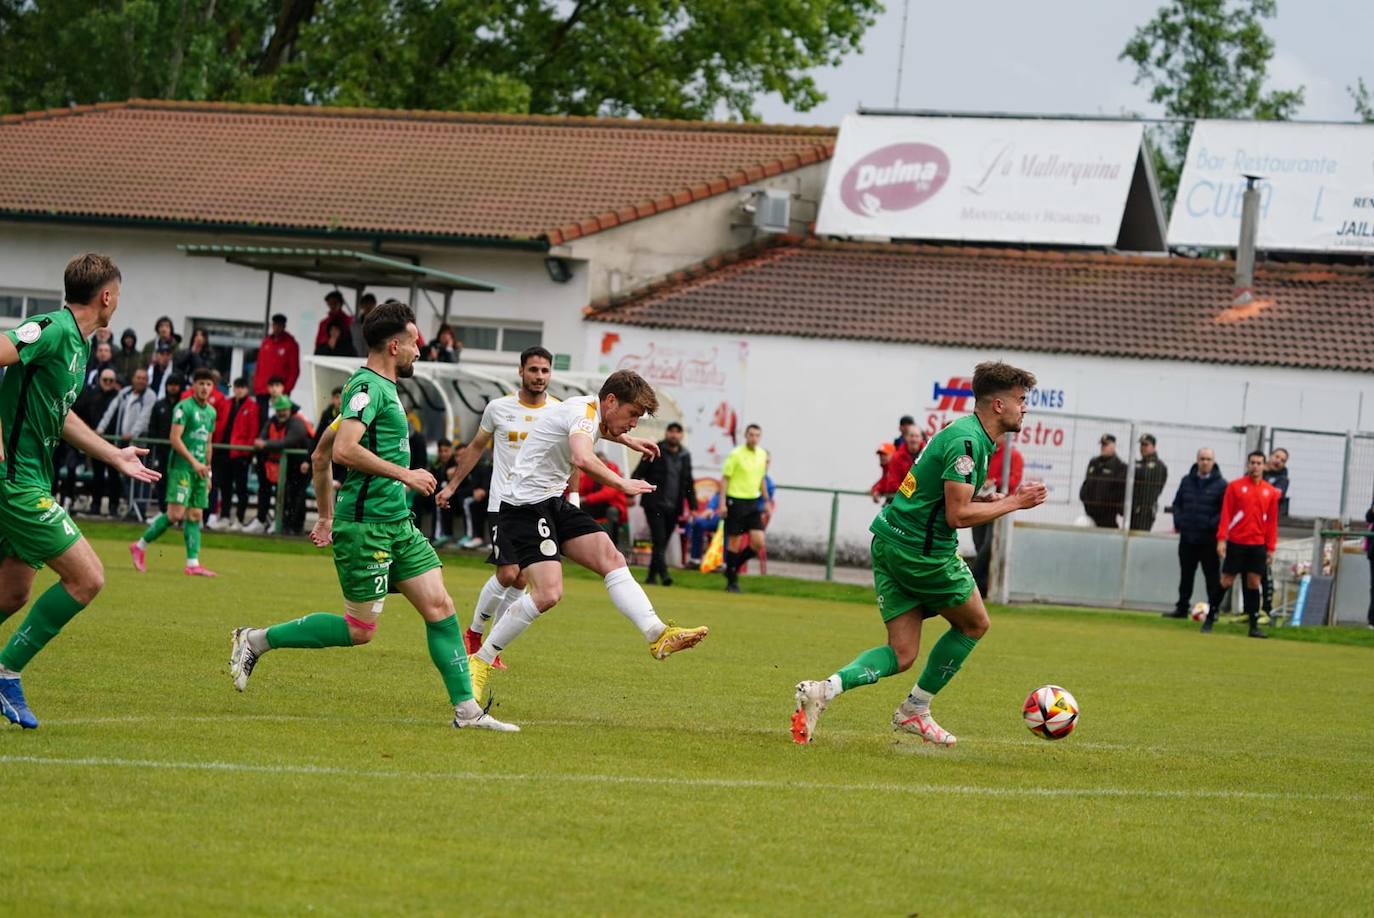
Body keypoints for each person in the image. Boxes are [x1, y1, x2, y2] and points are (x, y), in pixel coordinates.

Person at [228, 300, 516, 732]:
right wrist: (406, 475)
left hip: (397, 524)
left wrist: (323, 515)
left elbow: (322, 453)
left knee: (440, 606)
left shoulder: (381, 389)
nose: (421, 351)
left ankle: (467, 712)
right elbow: (343, 450)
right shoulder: (366, 388)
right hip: (366, 528)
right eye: (416, 343)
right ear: (395, 346)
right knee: (360, 629)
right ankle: (254, 639)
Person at [791, 361, 1048, 747]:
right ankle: (915, 710)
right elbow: (956, 515)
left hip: (891, 540)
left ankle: (823, 691)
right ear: (998, 405)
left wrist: (985, 497)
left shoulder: (964, 433)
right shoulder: (967, 442)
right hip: (922, 553)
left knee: (902, 652)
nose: (1025, 408)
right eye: (1020, 400)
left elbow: (935, 495)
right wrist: (1014, 501)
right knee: (974, 624)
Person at [462, 369, 710, 704]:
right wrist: (621, 483)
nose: (634, 422)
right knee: (548, 593)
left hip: (550, 502)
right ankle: (481, 660)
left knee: (612, 558)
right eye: (633, 414)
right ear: (610, 401)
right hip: (524, 507)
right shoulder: (582, 414)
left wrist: (627, 440)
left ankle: (657, 634)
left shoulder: (588, 410)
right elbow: (581, 456)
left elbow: (593, 430)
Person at [0, 253, 160, 728]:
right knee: (87, 577)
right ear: (107, 296)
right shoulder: (49, 328)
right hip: (15, 483)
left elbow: (59, 414)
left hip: (30, 479)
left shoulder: (79, 344)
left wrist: (113, 454)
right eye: (119, 296)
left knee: (12, 592)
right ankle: (6, 674)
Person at [435, 346, 559, 664]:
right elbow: (476, 447)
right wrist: (451, 486)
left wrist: (570, 500)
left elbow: (571, 457)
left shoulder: (559, 411)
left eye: (545, 370)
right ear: (521, 371)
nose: (539, 376)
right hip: (503, 502)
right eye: (533, 369)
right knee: (507, 573)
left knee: (522, 579)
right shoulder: (499, 408)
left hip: (540, 506)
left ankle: (491, 646)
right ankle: (474, 633)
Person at [130, 368, 219, 576]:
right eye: (201, 383)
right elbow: (175, 439)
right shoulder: (183, 407)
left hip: (200, 471)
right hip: (181, 469)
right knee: (175, 514)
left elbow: (209, 444)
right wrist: (194, 463)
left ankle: (192, 563)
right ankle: (139, 546)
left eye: (208, 384)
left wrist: (208, 472)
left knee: (196, 514)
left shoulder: (212, 412)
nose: (205, 387)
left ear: (212, 388)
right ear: (193, 386)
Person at [1205, 451, 1279, 638]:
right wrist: (1222, 539)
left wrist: (1270, 547)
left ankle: (1254, 625)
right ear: (1248, 465)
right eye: (1252, 462)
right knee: (1226, 580)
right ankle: (1210, 615)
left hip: (1257, 545)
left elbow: (1272, 522)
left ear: (1264, 466)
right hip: (1237, 542)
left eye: (1259, 463)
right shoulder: (1235, 487)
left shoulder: (1270, 491)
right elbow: (1226, 513)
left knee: (1254, 582)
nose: (1255, 466)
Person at [1164, 448, 1226, 620]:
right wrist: (1180, 521)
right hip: (1188, 537)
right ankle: (1182, 608)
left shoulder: (1221, 485)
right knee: (1186, 575)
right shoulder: (1186, 481)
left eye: (1208, 459)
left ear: (1213, 461)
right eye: (1202, 458)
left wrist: (1210, 524)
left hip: (1208, 539)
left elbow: (1224, 511)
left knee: (1211, 577)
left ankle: (1213, 610)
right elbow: (1178, 504)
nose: (1205, 462)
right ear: (1197, 460)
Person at [633, 421, 696, 586]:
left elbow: (689, 482)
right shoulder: (655, 450)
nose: (674, 435)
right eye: (671, 431)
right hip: (654, 504)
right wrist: (631, 488)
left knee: (662, 543)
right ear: (667, 433)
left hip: (674, 506)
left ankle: (651, 577)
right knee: (659, 540)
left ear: (681, 435)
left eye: (677, 432)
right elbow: (639, 472)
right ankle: (665, 575)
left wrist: (693, 506)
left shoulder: (685, 455)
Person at [971, 436, 1024, 596]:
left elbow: (1014, 480)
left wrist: (995, 481)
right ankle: (983, 587)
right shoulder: (985, 452)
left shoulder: (1014, 455)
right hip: (980, 504)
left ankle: (972, 579)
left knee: (988, 547)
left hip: (998, 507)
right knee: (980, 545)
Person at [721, 423, 770, 593]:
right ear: (746, 435)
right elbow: (725, 479)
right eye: (751, 435)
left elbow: (762, 478)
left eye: (757, 435)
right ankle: (732, 581)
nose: (754, 438)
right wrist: (722, 503)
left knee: (758, 542)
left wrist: (767, 499)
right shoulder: (735, 454)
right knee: (734, 542)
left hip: (753, 502)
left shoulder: (762, 454)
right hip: (735, 501)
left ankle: (731, 568)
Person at [254, 396, 311, 535]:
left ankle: (294, 527)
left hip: (304, 463)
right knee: (289, 495)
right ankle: (286, 525)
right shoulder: (273, 421)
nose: (282, 413)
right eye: (279, 410)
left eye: (284, 409)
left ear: (289, 409)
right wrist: (263, 442)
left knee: (297, 496)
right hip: (291, 465)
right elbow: (263, 436)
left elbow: (288, 441)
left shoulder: (297, 422)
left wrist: (266, 444)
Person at [82, 368, 124, 516]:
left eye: (111, 381)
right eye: (105, 380)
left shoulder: (119, 397)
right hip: (95, 441)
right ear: (99, 380)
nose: (107, 383)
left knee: (114, 476)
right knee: (97, 475)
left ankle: (114, 507)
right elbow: (84, 415)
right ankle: (95, 505)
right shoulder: (91, 396)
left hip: (113, 441)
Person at [219, 377, 259, 531]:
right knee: (225, 486)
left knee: (241, 488)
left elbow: (253, 430)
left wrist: (247, 451)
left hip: (241, 453)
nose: (239, 390)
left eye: (242, 387)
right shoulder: (228, 403)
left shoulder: (252, 406)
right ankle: (224, 516)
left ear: (247, 389)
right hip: (226, 451)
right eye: (237, 387)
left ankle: (239, 519)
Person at [146, 373, 185, 513]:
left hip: (179, 451)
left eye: (176, 385)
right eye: (170, 385)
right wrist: (152, 449)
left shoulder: (184, 406)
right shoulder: (159, 405)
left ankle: (177, 512)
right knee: (162, 481)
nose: (173, 388)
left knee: (178, 481)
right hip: (162, 450)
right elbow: (152, 427)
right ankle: (163, 511)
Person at [1260, 447, 1291, 619]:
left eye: (1283, 459)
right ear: (1270, 456)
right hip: (1249, 528)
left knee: (1265, 571)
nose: (1278, 460)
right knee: (1246, 571)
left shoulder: (1282, 480)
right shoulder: (1256, 472)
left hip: (1266, 530)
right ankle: (1248, 610)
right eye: (1277, 456)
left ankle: (1266, 607)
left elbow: (1273, 496)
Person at [253, 314, 300, 418]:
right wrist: (256, 386)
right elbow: (259, 366)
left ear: (284, 326)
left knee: (280, 418)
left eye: (279, 325)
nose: (276, 328)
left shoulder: (290, 344)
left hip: (280, 390)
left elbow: (294, 370)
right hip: (262, 390)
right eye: (274, 325)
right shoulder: (266, 342)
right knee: (261, 419)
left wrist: (286, 390)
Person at [1079, 434, 1126, 528]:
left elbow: (1119, 493)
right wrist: (1086, 501)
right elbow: (1086, 485)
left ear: (1113, 446)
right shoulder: (1094, 463)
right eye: (1102, 445)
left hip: (1108, 517)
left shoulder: (1120, 466)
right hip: (1090, 514)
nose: (1102, 447)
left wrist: (1104, 506)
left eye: (1106, 445)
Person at [1130, 433, 1169, 532]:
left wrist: (1136, 468)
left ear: (1153, 447)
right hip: (1132, 510)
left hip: (1145, 512)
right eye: (1141, 445)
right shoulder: (1138, 464)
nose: (1142, 447)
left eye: (1146, 445)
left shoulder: (1159, 466)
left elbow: (1147, 480)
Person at [349, 293, 376, 358]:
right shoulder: (354, 325)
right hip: (356, 357)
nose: (368, 306)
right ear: (361, 306)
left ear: (374, 305)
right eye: (366, 304)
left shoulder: (379, 324)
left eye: (370, 304)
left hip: (372, 358)